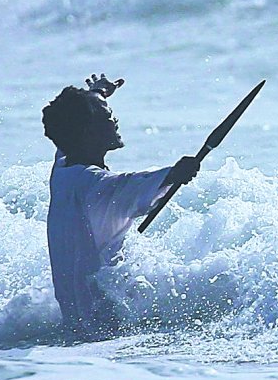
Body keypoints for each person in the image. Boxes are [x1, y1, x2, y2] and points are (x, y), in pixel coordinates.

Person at [41, 73, 200, 336]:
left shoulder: (62, 170)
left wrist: (97, 93)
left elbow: (73, 123)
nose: (113, 119)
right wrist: (173, 174)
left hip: (74, 325)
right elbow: (129, 184)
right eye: (105, 117)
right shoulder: (93, 185)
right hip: (102, 329)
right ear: (86, 132)